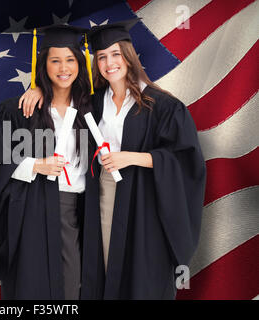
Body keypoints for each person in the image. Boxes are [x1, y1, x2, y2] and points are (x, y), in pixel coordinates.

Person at [19, 18, 206, 299]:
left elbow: (184, 159)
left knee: (143, 270)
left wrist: (132, 158)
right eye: (102, 57)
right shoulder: (93, 103)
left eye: (116, 54)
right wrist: (39, 89)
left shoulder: (162, 105)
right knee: (106, 265)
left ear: (129, 57)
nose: (109, 63)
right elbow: (62, 99)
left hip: (145, 198)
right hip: (104, 195)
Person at [0, 24, 99, 299]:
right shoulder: (19, 110)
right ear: (43, 65)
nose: (63, 68)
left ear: (80, 63)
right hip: (32, 207)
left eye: (70, 59)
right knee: (31, 286)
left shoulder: (92, 109)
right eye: (55, 60)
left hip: (79, 210)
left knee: (74, 285)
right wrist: (34, 165)